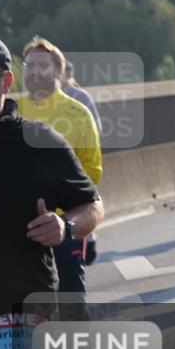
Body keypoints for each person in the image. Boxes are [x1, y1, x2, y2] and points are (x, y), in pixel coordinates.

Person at [0, 37, 104, 349]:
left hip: (16, 307)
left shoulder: (38, 140)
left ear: (5, 81)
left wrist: (65, 226)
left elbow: (92, 203)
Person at [16, 37, 102, 306]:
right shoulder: (12, 110)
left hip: (64, 224)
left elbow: (92, 168)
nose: (33, 71)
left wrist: (65, 204)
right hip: (19, 227)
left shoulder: (78, 113)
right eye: (29, 65)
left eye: (42, 65)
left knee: (71, 299)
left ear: (58, 71)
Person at [61, 60, 102, 265]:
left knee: (85, 204)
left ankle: (88, 241)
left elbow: (96, 129)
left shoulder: (81, 98)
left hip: (78, 163)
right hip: (55, 166)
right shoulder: (45, 99)